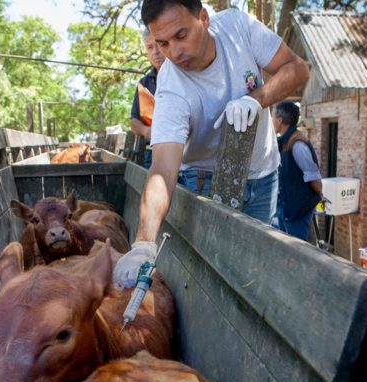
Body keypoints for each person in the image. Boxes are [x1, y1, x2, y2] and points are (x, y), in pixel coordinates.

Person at [113, 0, 310, 288]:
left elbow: (298, 68)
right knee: (213, 280)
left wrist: (255, 100)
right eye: (162, 43)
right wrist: (143, 243)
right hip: (203, 182)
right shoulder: (171, 87)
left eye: (181, 35)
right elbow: (163, 170)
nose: (174, 52)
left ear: (203, 18)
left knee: (255, 275)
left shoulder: (238, 28)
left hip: (263, 175)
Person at [271, 100, 325, 241]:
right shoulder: (284, 140)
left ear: (280, 120)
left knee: (299, 252)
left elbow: (313, 176)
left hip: (297, 210)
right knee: (287, 250)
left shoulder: (297, 144)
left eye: (273, 117)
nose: (271, 121)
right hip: (286, 209)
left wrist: (321, 194)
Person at [130, 29, 165, 168]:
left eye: (159, 45)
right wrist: (146, 131)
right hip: (151, 153)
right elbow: (134, 122)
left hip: (184, 156)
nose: (155, 52)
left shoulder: (183, 75)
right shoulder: (144, 84)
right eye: (150, 47)